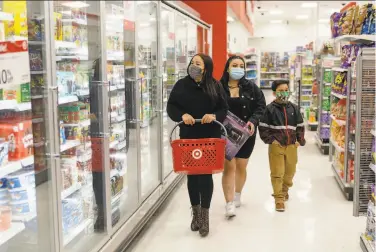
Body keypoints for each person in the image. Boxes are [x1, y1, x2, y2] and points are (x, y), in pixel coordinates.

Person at [167, 53, 228, 237]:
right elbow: (172, 106)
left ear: (206, 67)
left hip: (209, 137)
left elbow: (223, 108)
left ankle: (205, 217)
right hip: (189, 137)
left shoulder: (215, 85)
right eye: (192, 63)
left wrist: (214, 116)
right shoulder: (181, 85)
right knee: (192, 176)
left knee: (205, 176)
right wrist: (182, 116)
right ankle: (195, 214)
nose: (194, 66)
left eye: (198, 63)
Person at [219, 55, 266, 217]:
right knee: (229, 166)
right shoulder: (218, 87)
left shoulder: (252, 88)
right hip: (225, 133)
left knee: (241, 166)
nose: (238, 68)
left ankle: (237, 195)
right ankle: (229, 203)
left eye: (241, 65)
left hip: (246, 133)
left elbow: (261, 107)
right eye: (234, 65)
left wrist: (254, 121)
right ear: (227, 68)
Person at [258, 80, 306, 212]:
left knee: (290, 172)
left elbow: (300, 126)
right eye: (280, 90)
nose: (284, 92)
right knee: (277, 172)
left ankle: (285, 190)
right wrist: (271, 140)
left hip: (291, 145)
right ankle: (279, 198)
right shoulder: (269, 109)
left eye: (286, 89)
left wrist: (299, 140)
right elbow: (263, 127)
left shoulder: (294, 108)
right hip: (276, 145)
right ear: (274, 93)